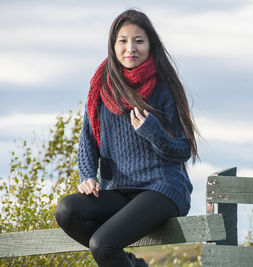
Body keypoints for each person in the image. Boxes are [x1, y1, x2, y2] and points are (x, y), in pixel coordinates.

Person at [55, 8, 199, 267]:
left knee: (102, 244)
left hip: (162, 188)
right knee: (67, 211)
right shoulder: (101, 87)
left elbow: (182, 150)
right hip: (120, 189)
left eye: (139, 41)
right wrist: (88, 176)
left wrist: (152, 131)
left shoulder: (164, 87)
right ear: (113, 45)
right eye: (123, 41)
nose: (130, 48)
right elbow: (88, 140)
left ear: (150, 44)